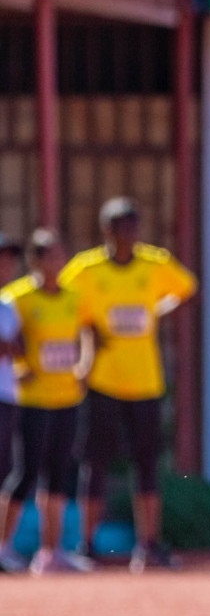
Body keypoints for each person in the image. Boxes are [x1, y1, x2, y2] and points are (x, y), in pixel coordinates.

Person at [61, 197, 198, 572]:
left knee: (148, 463)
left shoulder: (154, 263)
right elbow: (63, 307)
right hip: (103, 380)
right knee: (95, 462)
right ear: (107, 231)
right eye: (123, 228)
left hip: (145, 381)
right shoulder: (86, 270)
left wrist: (156, 311)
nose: (131, 235)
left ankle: (148, 544)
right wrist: (87, 336)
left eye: (135, 228)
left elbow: (186, 288)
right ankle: (86, 545)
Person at [0, 230, 92, 575]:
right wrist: (22, 368)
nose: (57, 263)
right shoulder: (16, 298)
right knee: (25, 473)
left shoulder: (72, 297)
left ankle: (50, 551)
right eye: (49, 257)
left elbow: (87, 330)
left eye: (60, 256)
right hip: (31, 400)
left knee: (59, 474)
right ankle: (3, 544)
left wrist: (84, 363)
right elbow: (15, 342)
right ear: (35, 262)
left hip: (67, 396)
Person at [0, 234, 25, 573]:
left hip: (7, 395)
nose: (6, 266)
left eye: (9, 260)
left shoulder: (9, 305)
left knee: (4, 471)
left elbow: (17, 348)